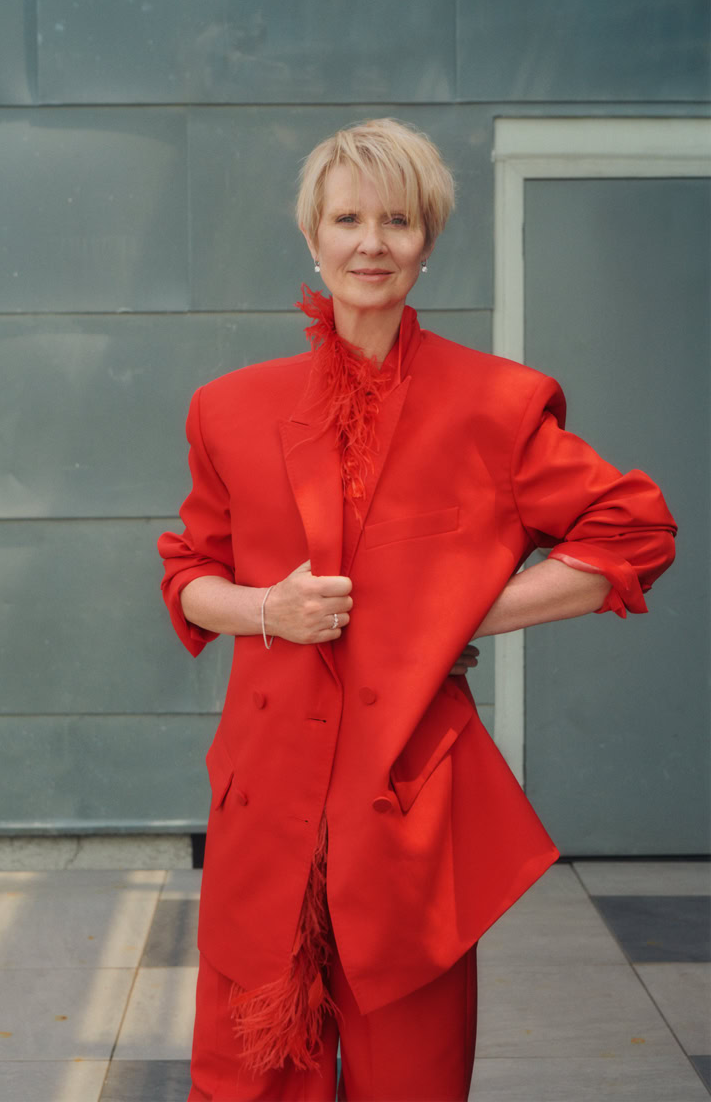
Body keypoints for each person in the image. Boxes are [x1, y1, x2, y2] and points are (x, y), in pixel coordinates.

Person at [157, 118, 677, 1101]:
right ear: (311, 237)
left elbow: (633, 530)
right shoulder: (226, 407)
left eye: (395, 220)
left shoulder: (493, 403)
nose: (370, 242)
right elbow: (189, 576)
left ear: (426, 240)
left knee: (413, 1078)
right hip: (264, 794)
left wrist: (461, 615)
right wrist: (270, 608)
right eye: (347, 218)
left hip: (405, 799)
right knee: (248, 1078)